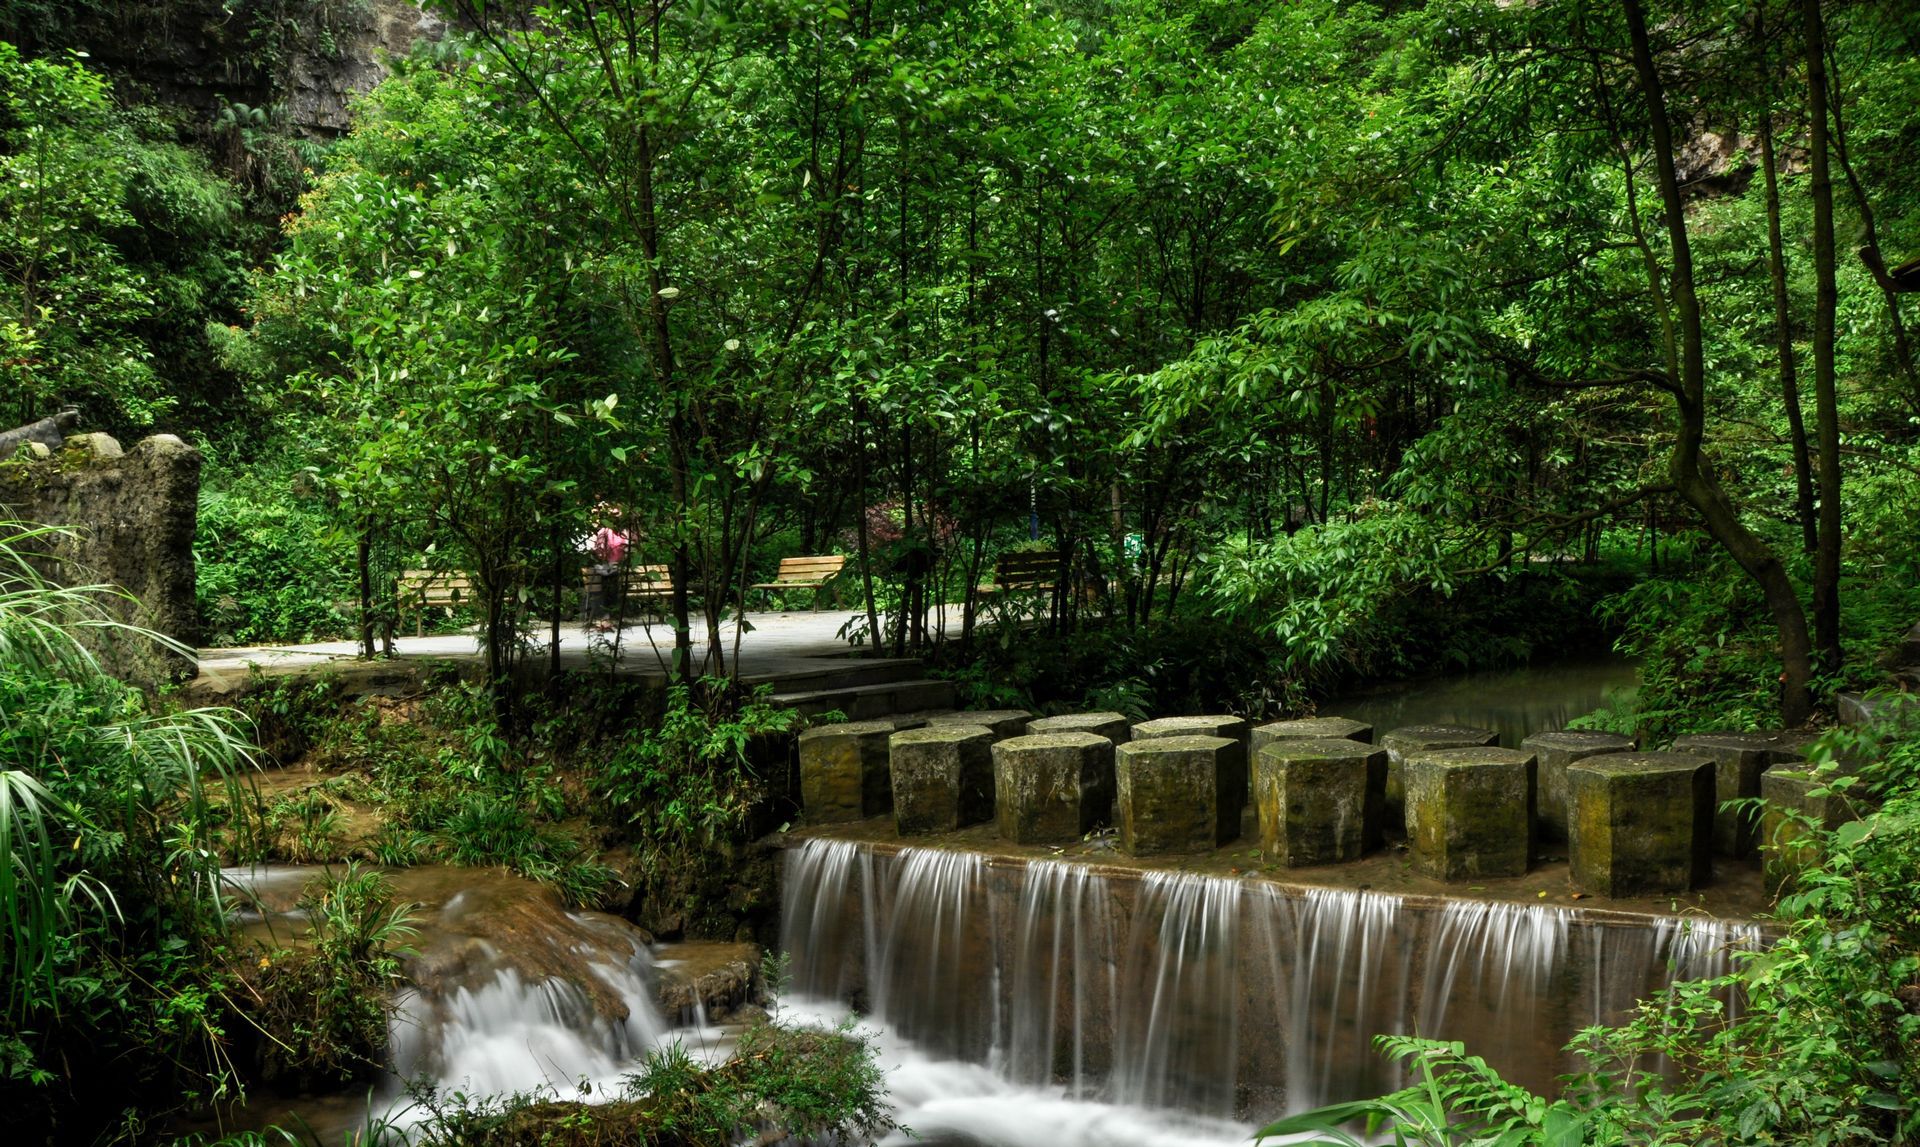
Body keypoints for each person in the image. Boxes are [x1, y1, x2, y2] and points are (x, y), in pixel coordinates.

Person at [581, 504, 633, 631]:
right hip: (605, 569)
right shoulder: (604, 532)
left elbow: (629, 548)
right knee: (605, 584)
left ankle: (608, 617)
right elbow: (598, 551)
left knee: (610, 584)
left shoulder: (623, 532)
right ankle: (606, 617)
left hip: (616, 568)